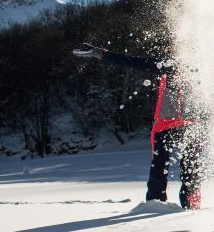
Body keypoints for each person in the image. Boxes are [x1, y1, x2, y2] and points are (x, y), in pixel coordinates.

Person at [74, 43, 202, 209]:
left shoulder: (200, 69)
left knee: (191, 169)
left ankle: (192, 207)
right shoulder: (166, 65)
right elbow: (132, 62)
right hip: (164, 126)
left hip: (189, 125)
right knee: (159, 169)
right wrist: (102, 54)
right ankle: (154, 206)